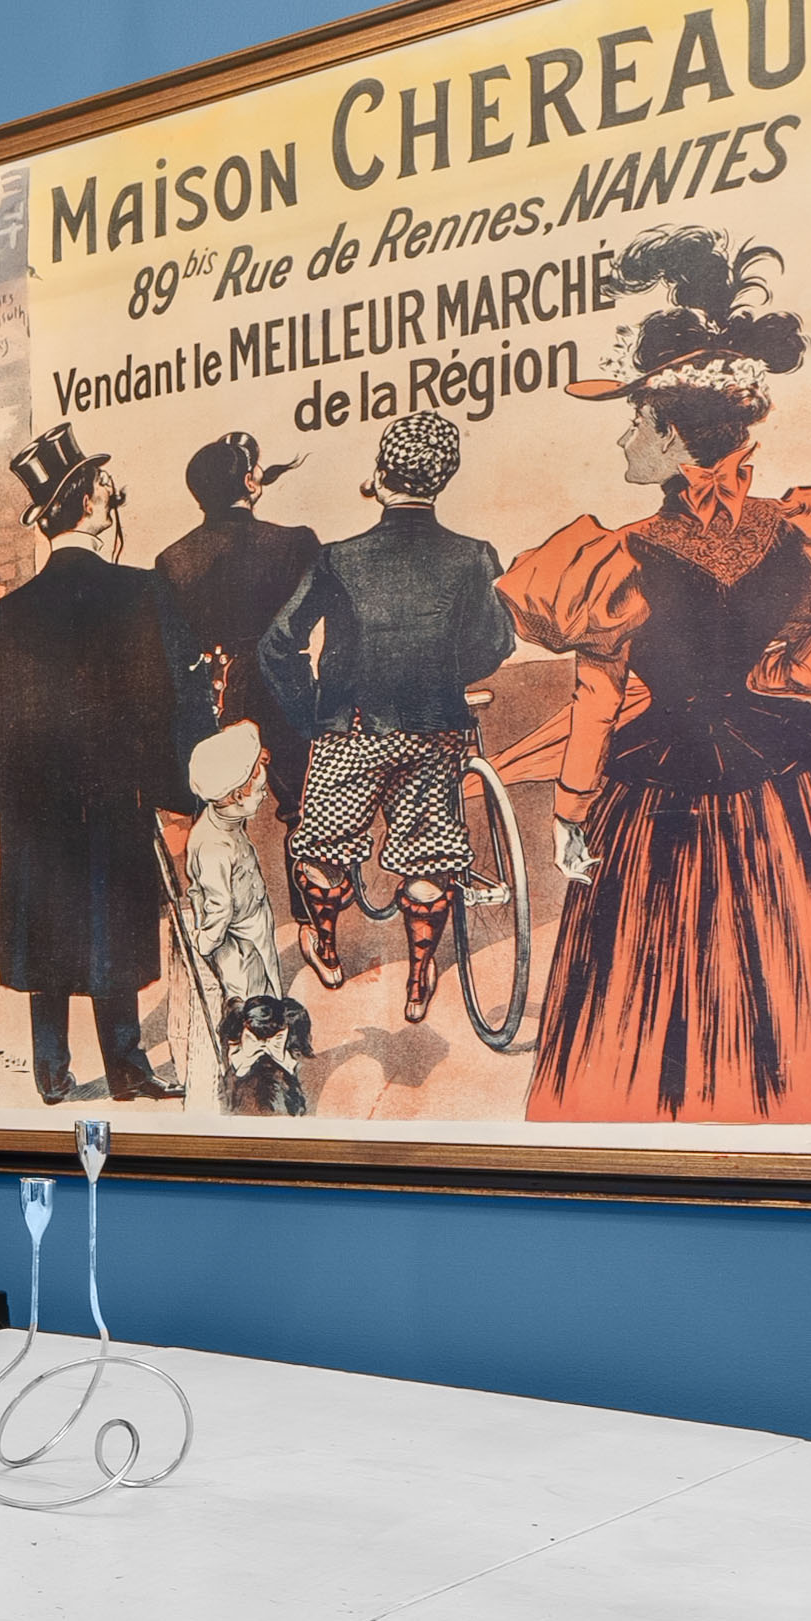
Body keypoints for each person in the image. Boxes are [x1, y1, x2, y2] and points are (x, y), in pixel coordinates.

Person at [500, 231, 811, 1125]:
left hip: (656, 797)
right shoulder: (801, 537)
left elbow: (595, 701)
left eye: (633, 420)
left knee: (652, 974)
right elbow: (782, 677)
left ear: (669, 433)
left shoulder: (617, 559)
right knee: (797, 953)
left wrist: (569, 813)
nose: (626, 437)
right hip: (785, 795)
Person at [0, 421, 212, 1104]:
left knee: (47, 927)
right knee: (110, 923)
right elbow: (177, 693)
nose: (111, 493)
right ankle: (125, 1065)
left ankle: (49, 1070)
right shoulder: (141, 592)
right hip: (113, 798)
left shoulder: (9, 613)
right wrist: (178, 790)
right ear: (92, 506)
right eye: (104, 485)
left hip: (35, 807)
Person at [263, 408, 517, 1021]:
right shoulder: (475, 556)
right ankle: (421, 974)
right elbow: (497, 643)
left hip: (349, 731)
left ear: (381, 475)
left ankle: (325, 944)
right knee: (428, 855)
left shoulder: (338, 557)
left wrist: (309, 715)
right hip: (435, 731)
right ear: (443, 478)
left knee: (322, 849)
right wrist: (443, 673)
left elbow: (277, 643)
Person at [155, 429, 320, 820]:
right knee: (306, 816)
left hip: (215, 698)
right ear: (249, 483)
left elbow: (172, 648)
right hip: (284, 692)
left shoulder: (171, 560)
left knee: (216, 816)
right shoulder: (295, 543)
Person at [173, 722, 305, 1115]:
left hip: (254, 933)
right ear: (234, 795)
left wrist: (252, 750)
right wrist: (205, 943)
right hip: (237, 948)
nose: (265, 794)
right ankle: (257, 1086)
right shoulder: (212, 845)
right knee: (252, 1011)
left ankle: (272, 1073)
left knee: (267, 997)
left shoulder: (227, 823)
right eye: (259, 788)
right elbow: (217, 909)